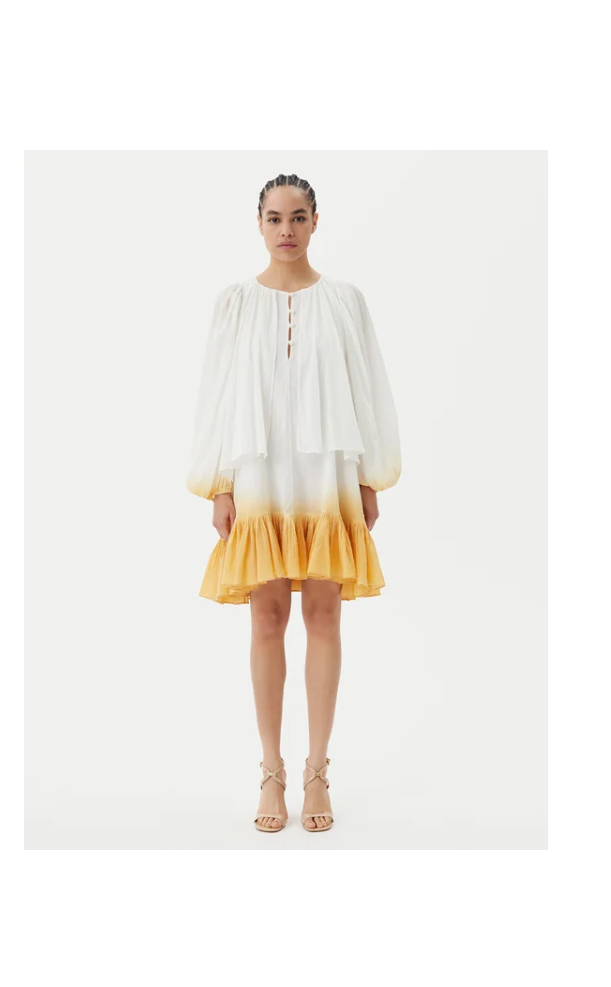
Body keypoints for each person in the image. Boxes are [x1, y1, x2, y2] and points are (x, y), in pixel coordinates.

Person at [186, 173, 401, 833]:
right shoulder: (235, 304)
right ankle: (272, 771)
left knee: (325, 615)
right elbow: (218, 394)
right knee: (268, 617)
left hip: (325, 473)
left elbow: (367, 387)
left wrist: (370, 476)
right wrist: (220, 482)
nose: (287, 230)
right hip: (259, 472)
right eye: (275, 218)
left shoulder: (344, 301)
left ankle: (317, 771)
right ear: (259, 223)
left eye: (298, 217)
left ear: (315, 221)